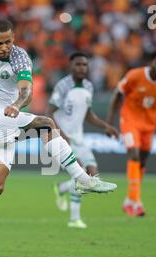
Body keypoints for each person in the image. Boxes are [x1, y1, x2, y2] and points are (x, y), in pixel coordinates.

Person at [0, 19, 117, 257]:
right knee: (47, 124)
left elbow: (26, 91)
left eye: (8, 42)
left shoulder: (19, 57)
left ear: (13, 39)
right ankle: (83, 180)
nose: (4, 47)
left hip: (4, 121)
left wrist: (16, 105)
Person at [48, 52, 120, 229]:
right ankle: (74, 219)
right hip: (63, 140)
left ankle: (62, 188)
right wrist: (60, 135)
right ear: (70, 66)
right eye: (78, 64)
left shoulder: (88, 86)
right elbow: (49, 112)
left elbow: (88, 114)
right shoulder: (63, 86)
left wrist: (105, 126)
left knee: (93, 175)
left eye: (84, 65)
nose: (82, 68)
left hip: (79, 138)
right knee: (81, 175)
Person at [106, 50, 156, 217]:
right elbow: (117, 94)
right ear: (150, 62)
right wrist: (109, 121)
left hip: (149, 124)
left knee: (143, 162)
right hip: (130, 120)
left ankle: (128, 201)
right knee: (134, 155)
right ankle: (135, 201)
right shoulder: (134, 76)